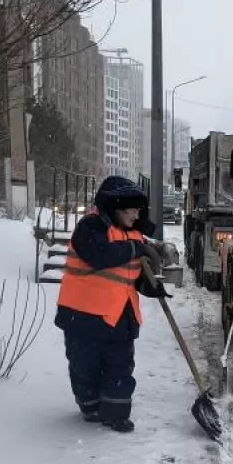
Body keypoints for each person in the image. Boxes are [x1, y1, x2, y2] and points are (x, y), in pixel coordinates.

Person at [55, 176, 168, 433]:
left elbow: (129, 275)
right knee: (85, 366)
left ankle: (117, 413)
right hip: (84, 316)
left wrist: (149, 286)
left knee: (120, 366)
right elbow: (100, 255)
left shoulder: (135, 236)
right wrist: (135, 249)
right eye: (133, 208)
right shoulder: (91, 227)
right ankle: (90, 405)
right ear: (118, 206)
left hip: (120, 314)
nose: (138, 213)